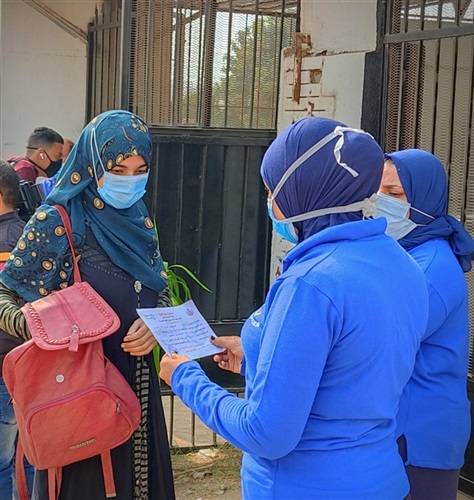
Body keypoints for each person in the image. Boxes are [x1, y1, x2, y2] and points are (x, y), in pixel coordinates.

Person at [160, 117, 430, 499]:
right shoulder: (402, 264)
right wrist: (257, 356)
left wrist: (186, 378)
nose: (270, 202)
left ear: (301, 189)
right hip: (382, 479)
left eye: (271, 190)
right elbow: (353, 373)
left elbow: (265, 433)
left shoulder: (311, 283)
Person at [0, 111, 175, 499]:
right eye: (118, 169)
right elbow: (4, 292)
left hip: (138, 389)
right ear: (92, 165)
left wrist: (156, 322)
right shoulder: (58, 220)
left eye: (140, 170)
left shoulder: (139, 221)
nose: (130, 181)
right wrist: (43, 329)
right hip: (79, 394)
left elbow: (158, 286)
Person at [376, 148, 474, 500]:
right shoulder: (404, 250)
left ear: (425, 198)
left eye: (394, 193)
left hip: (418, 433)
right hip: (401, 423)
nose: (380, 201)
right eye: (378, 191)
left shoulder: (430, 268)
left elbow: (376, 341)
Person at [0, 160, 35, 499]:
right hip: (26, 366)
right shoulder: (25, 234)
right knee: (28, 456)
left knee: (3, 460)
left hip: (4, 368)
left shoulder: (6, 241)